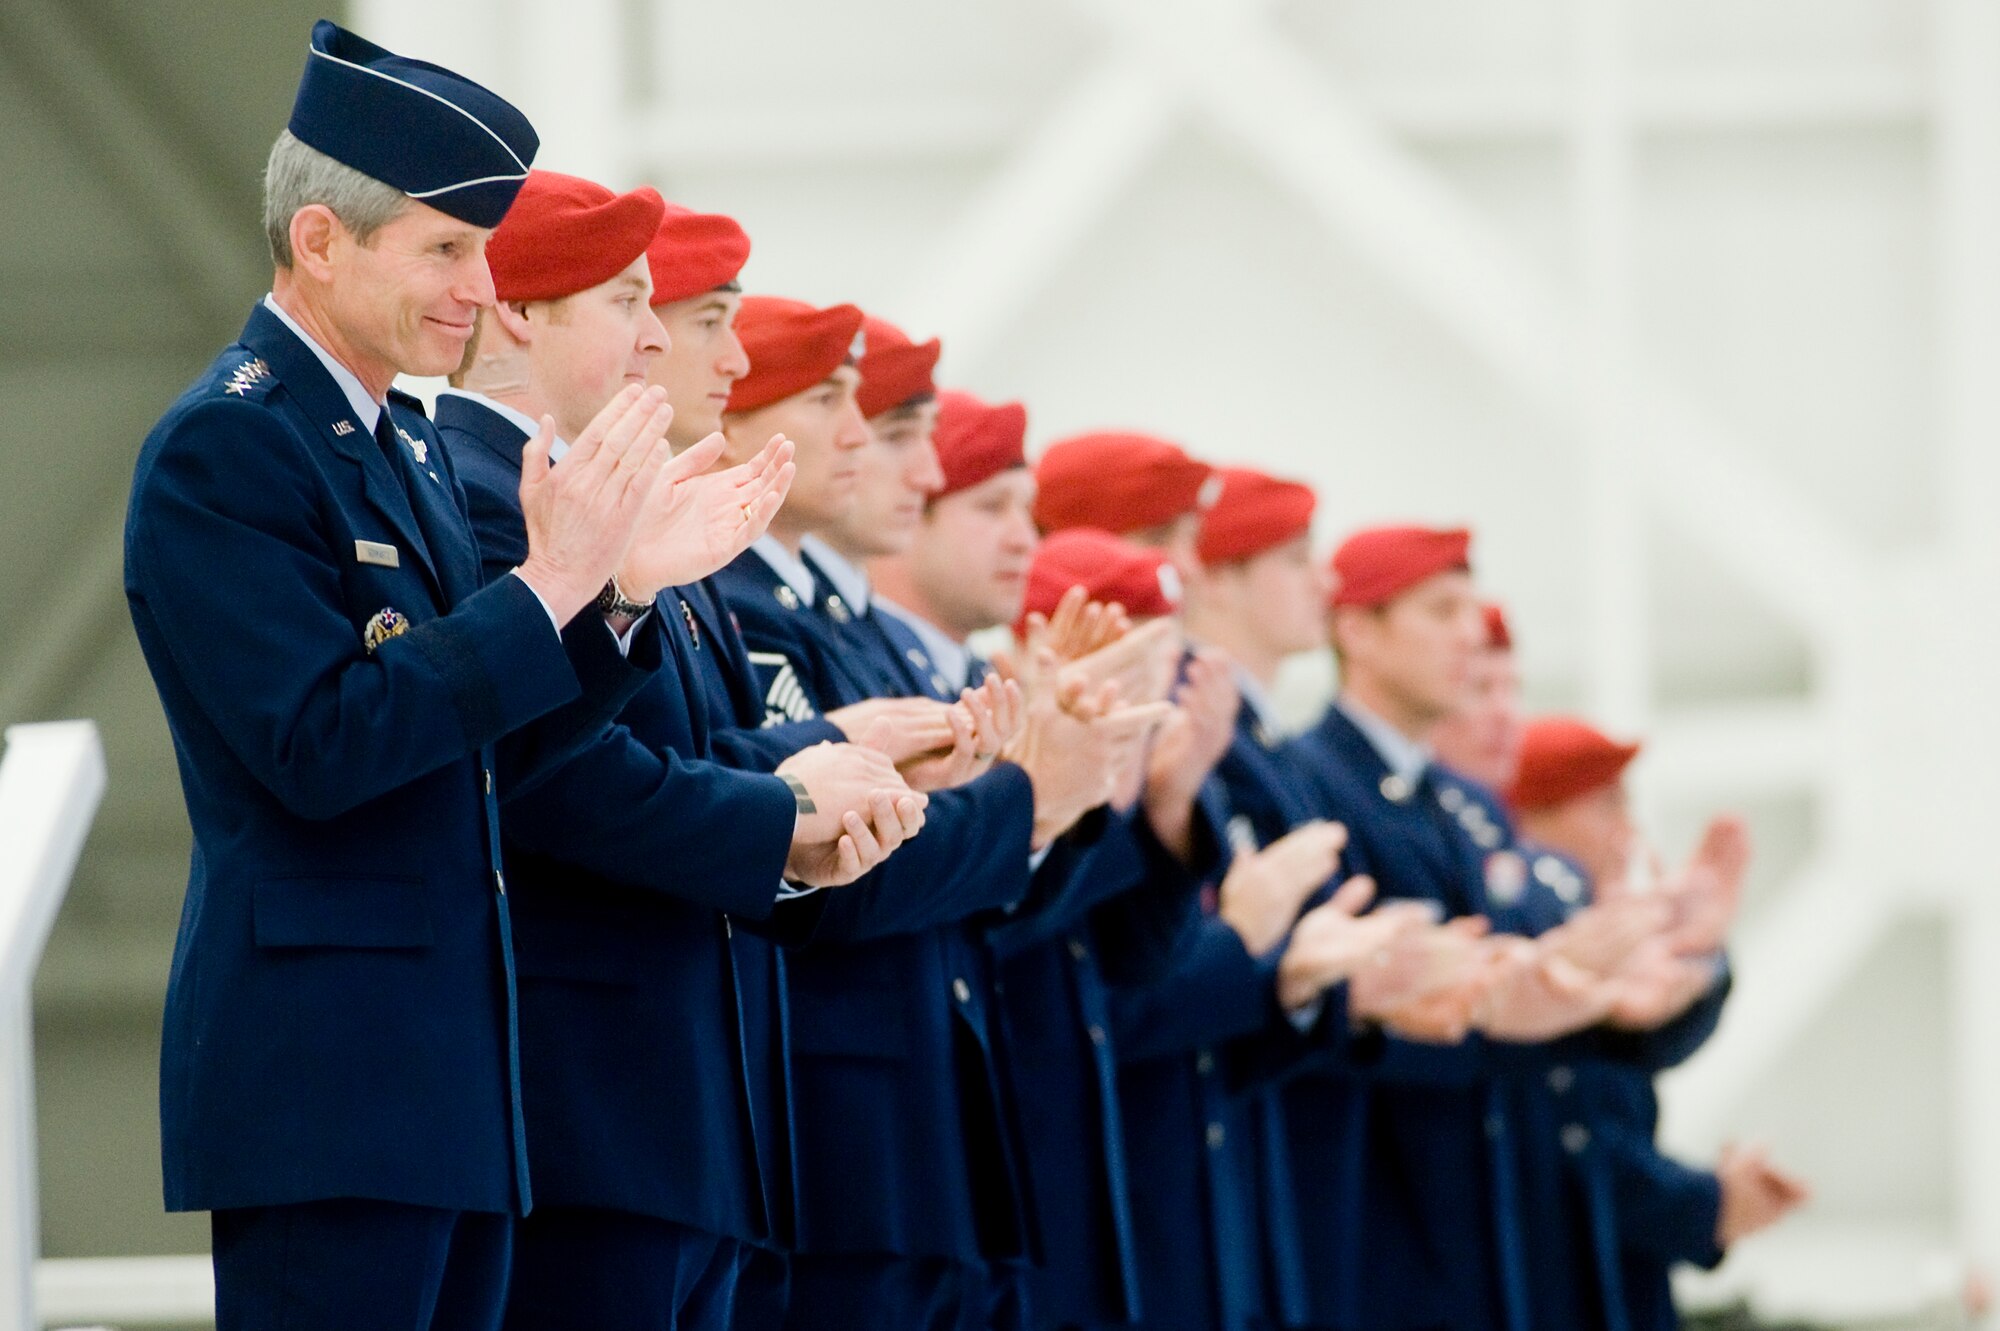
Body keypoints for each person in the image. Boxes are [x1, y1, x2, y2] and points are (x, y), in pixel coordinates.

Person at [123, 22, 688, 1330]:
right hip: (330, 1095)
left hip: (449, 1096)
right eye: (445, 249)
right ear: (320, 242)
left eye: (484, 254)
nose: (480, 291)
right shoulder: (232, 447)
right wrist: (548, 587)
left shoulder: (407, 452)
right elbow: (321, 745)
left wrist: (612, 601)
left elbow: (501, 762)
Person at [434, 169, 930, 1330]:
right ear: (517, 313)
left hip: (682, 1109)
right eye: (629, 302)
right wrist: (787, 809)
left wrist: (801, 791)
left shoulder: (604, 496)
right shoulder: (477, 493)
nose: (659, 341)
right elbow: (555, 776)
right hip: (593, 1093)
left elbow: (697, 745)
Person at [709, 297, 1161, 1329]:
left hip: (927, 1153)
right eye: (848, 408)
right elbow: (843, 877)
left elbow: (981, 908)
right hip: (843, 1149)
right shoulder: (748, 610)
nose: (902, 464)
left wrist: (1066, 791)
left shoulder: (860, 637)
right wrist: (1034, 793)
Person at [1509, 718, 1808, 1331]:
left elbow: (1643, 1049)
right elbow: (1570, 1141)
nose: (1627, 832)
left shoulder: (1588, 936)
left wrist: (1696, 957)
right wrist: (1708, 1205)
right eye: (1605, 806)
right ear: (1531, 822)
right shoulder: (1523, 960)